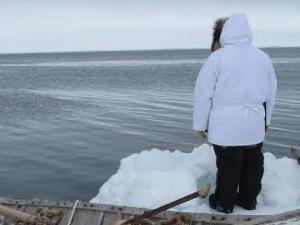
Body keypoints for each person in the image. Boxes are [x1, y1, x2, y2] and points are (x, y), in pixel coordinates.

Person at [193, 14, 277, 213]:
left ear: (226, 33)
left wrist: (200, 124)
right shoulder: (262, 57)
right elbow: (271, 91)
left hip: (226, 125)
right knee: (252, 162)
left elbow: (203, 92)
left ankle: (224, 202)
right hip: (254, 123)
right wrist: (267, 120)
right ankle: (248, 200)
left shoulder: (217, 58)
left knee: (229, 164)